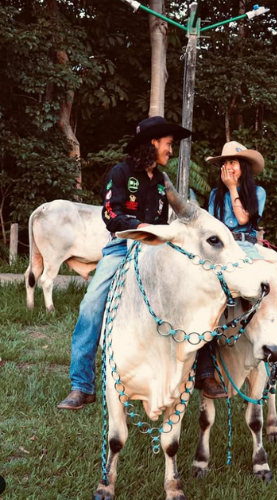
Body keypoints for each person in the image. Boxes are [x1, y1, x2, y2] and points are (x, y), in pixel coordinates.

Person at [57, 116, 191, 410]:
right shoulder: (120, 173)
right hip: (121, 246)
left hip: (156, 249)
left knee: (185, 297)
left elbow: (173, 217)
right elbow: (109, 214)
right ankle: (82, 386)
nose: (171, 150)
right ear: (153, 143)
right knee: (91, 304)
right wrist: (138, 228)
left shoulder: (163, 182)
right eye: (168, 144)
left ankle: (185, 376)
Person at [195, 141, 277, 399]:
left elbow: (244, 219)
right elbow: (209, 228)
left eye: (233, 162)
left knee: (274, 289)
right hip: (221, 250)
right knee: (205, 296)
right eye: (225, 163)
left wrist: (233, 189)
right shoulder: (214, 195)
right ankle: (203, 365)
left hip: (247, 246)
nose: (228, 167)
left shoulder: (257, 192)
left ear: (243, 167)